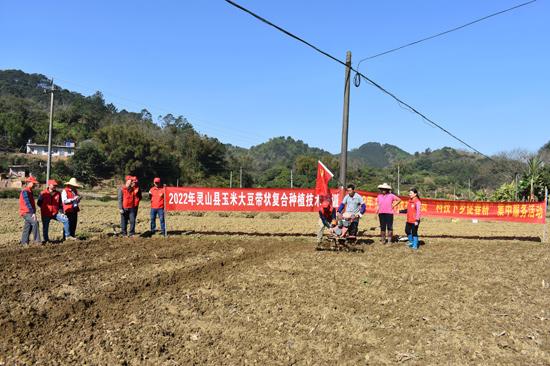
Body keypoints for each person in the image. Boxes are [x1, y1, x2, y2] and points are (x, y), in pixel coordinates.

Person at [19, 176, 41, 246]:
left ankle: (24, 242)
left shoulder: (29, 191)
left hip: (28, 212)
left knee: (27, 226)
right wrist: (32, 213)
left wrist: (33, 212)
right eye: (33, 183)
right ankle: (37, 241)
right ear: (29, 183)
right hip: (26, 212)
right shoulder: (25, 191)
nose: (34, 185)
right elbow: (27, 203)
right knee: (35, 222)